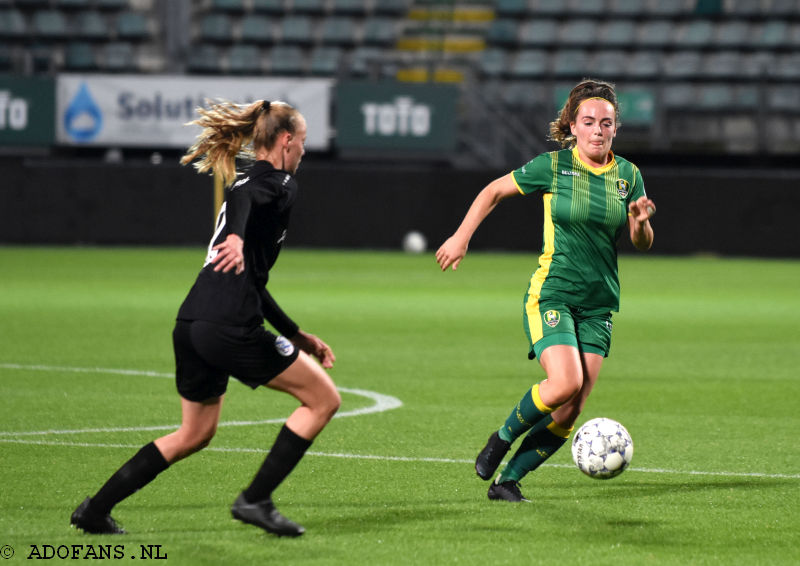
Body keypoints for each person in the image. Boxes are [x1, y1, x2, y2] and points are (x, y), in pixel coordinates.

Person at [70, 99, 341, 536]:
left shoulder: (251, 175)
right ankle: (255, 499)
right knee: (324, 400)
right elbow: (244, 197)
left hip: (192, 323)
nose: (305, 151)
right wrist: (235, 234)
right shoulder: (280, 182)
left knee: (193, 434)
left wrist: (296, 333)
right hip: (230, 327)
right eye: (304, 142)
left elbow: (251, 273)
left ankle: (94, 510)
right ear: (286, 141)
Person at [435, 79, 655, 502]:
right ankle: (500, 438)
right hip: (552, 294)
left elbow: (640, 241)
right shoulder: (553, 166)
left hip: (599, 305)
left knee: (571, 410)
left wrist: (641, 221)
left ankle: (508, 481)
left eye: (605, 123)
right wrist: (461, 237)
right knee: (564, 383)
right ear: (572, 126)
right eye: (588, 122)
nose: (597, 130)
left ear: (615, 129)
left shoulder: (629, 176)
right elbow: (493, 191)